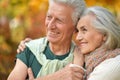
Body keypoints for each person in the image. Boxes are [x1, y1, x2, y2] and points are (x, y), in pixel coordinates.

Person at [7, 0, 86, 80]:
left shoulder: (82, 59)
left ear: (76, 26)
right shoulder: (29, 50)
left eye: (59, 20)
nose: (50, 25)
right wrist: (58, 76)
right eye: (49, 17)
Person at [76, 6, 120, 80]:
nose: (78, 38)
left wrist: (77, 65)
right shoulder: (88, 62)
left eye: (84, 30)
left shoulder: (114, 65)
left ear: (105, 34)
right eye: (78, 31)